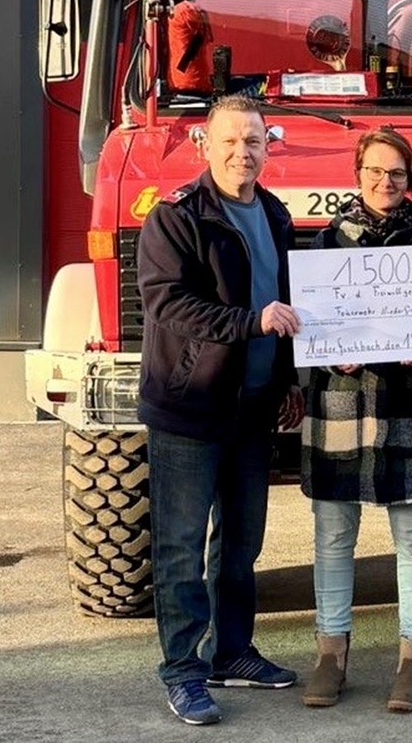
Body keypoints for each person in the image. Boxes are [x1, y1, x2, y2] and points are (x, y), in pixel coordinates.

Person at [136, 94, 305, 726]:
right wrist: (249, 321)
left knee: (240, 543)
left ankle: (232, 652)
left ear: (269, 147)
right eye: (230, 141)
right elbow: (167, 305)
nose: (243, 152)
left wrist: (287, 379)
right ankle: (183, 671)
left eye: (255, 141)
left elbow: (286, 304)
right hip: (190, 407)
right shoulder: (177, 217)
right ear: (206, 146)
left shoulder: (276, 214)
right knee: (181, 546)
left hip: (255, 407)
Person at [299, 129, 412, 713]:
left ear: (411, 180)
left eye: (397, 174)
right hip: (340, 399)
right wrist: (327, 348)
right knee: (333, 533)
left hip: (408, 403)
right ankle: (330, 655)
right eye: (375, 172)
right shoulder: (324, 246)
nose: (386, 183)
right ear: (357, 174)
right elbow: (307, 325)